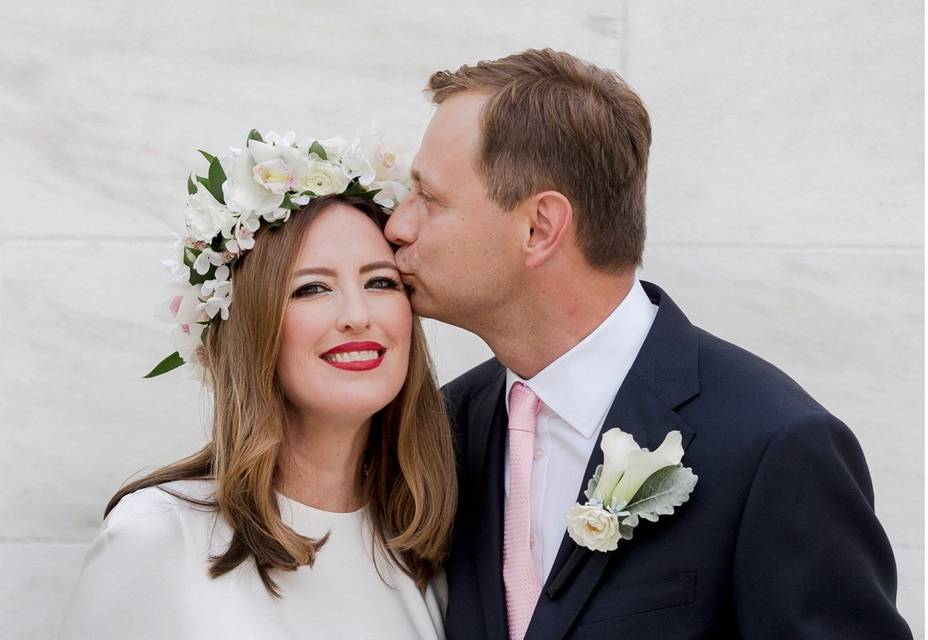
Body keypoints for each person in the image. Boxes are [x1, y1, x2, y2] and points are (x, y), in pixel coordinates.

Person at [384, 49, 912, 639]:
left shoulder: (774, 446)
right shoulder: (444, 426)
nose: (398, 226)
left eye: (428, 197)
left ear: (539, 228)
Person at [60, 130, 455, 639]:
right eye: (311, 288)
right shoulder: (159, 536)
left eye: (380, 282)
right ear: (247, 329)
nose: (358, 316)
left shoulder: (421, 549)